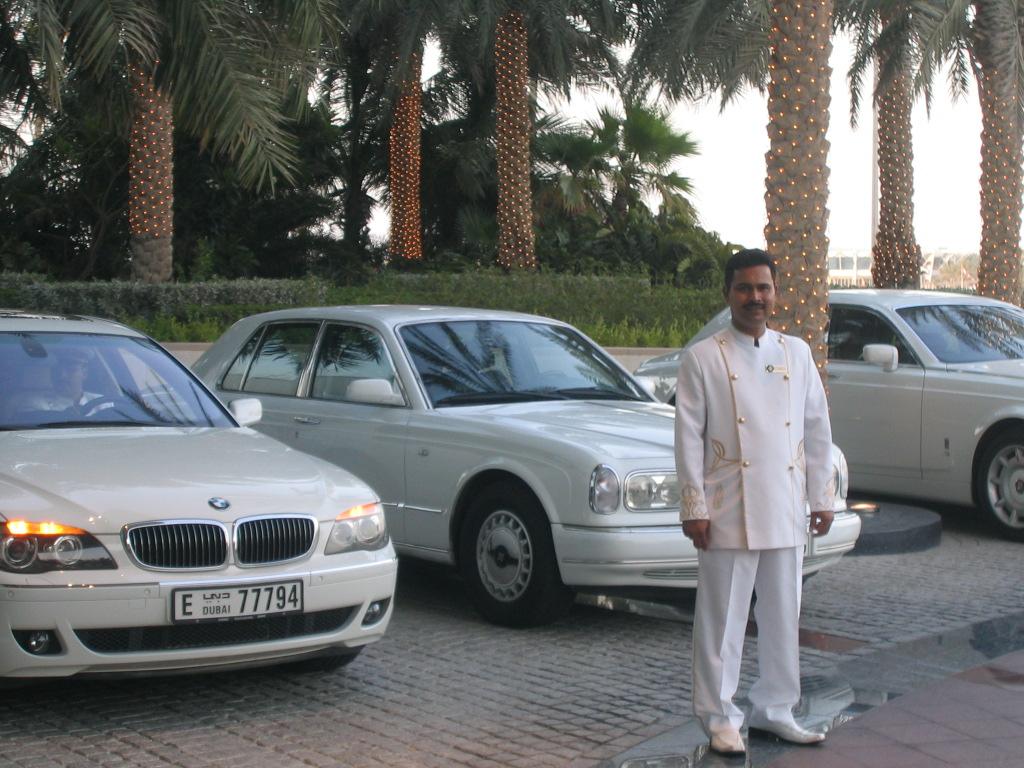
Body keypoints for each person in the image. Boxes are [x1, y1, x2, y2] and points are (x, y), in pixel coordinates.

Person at [673, 248, 835, 756]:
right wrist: (694, 506)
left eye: (763, 288)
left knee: (784, 614)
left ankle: (776, 708)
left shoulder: (796, 353)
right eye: (744, 288)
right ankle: (719, 716)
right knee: (722, 620)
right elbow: (688, 437)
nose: (755, 297)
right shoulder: (703, 357)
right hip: (728, 505)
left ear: (775, 293)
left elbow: (816, 427)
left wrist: (822, 495)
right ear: (728, 293)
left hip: (784, 502)